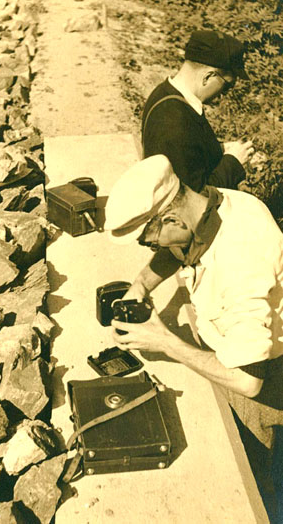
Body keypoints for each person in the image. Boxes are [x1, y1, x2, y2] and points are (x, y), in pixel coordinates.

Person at [104, 154, 283, 522]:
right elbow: (179, 248)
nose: (150, 247)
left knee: (254, 484)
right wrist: (140, 286)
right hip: (232, 346)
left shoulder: (240, 260)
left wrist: (166, 341)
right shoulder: (210, 206)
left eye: (146, 239)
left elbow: (248, 381)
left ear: (171, 217)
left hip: (265, 380)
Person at [142, 30, 255, 192]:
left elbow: (188, 152)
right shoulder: (174, 120)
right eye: (227, 85)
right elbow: (195, 196)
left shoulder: (167, 93)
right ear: (208, 77)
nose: (225, 94)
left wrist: (220, 149)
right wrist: (233, 162)